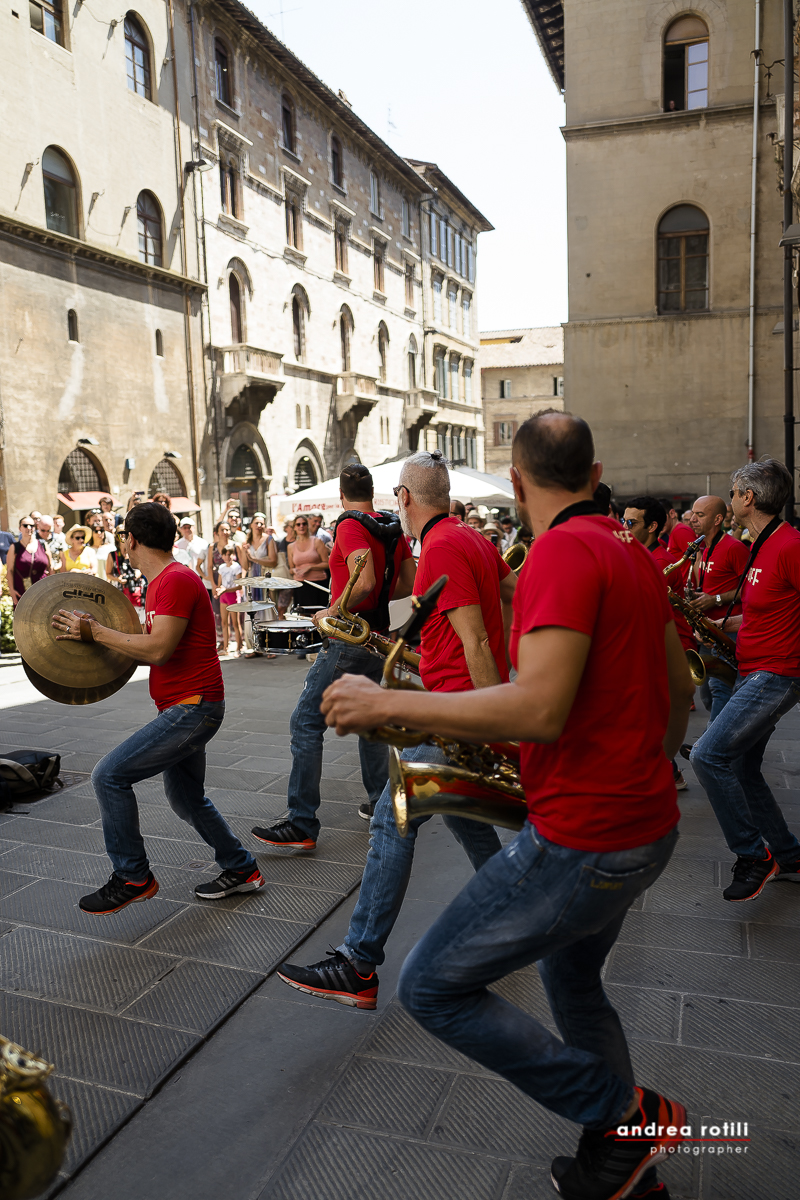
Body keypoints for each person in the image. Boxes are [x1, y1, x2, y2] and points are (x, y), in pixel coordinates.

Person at [320, 412, 692, 1200]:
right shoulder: (629, 549)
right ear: (594, 475)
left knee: (430, 986)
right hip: (642, 825)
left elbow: (539, 710)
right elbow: (681, 690)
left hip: (584, 838)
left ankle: (623, 1117)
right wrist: (638, 763)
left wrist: (391, 703)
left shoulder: (562, 550)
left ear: (518, 485)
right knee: (574, 983)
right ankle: (616, 1165)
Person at [277, 449, 516, 1010]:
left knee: (391, 820)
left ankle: (359, 964)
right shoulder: (473, 537)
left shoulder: (442, 545)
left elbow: (477, 639)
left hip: (453, 715)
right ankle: (519, 911)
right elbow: (515, 596)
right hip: (451, 706)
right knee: (467, 823)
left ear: (404, 498)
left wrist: (489, 719)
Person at [51, 502, 264, 913]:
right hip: (184, 707)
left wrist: (95, 630)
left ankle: (133, 876)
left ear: (130, 539)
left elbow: (160, 649)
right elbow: (150, 648)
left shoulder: (175, 580)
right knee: (187, 799)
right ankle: (242, 868)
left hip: (192, 708)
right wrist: (93, 643)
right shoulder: (164, 582)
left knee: (108, 775)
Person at [251, 463, 416, 848]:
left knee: (306, 722)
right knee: (369, 722)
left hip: (349, 638)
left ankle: (302, 822)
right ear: (374, 492)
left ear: (342, 496)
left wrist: (334, 608)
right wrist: (377, 610)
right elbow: (406, 582)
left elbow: (368, 579)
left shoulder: (349, 525)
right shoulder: (392, 525)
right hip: (378, 636)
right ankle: (380, 805)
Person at [690, 460, 800, 901]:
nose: (731, 500)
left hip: (775, 672)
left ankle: (755, 855)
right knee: (741, 765)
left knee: (706, 755)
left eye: (733, 493)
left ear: (748, 497)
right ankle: (790, 855)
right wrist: (723, 625)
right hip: (753, 666)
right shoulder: (762, 544)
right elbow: (763, 612)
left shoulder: (789, 544)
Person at [623, 496, 695, 792]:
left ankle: (666, 772)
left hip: (667, 648)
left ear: (652, 526)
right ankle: (668, 771)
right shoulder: (641, 554)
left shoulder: (660, 561)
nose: (623, 528)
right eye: (622, 521)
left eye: (631, 523)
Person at [688, 494, 749, 721]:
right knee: (706, 694)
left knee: (720, 690)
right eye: (693, 513)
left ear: (717, 519)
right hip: (707, 631)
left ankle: (713, 748)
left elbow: (749, 589)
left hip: (728, 631)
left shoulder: (734, 548)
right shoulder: (701, 549)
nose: (693, 519)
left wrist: (715, 599)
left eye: (699, 515)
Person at [6, 516, 51, 605]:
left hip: (43, 591)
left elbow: (51, 568)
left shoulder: (43, 545)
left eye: (32, 525)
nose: (29, 528)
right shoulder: (15, 548)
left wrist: (52, 589)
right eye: (25, 525)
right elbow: (9, 571)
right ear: (20, 528)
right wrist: (12, 591)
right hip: (22, 592)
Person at [287, 516, 330, 609]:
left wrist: (310, 567)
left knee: (318, 615)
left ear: (307, 526)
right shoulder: (291, 546)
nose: (301, 526)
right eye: (298, 524)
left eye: (304, 524)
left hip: (318, 583)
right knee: (303, 616)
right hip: (300, 584)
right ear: (294, 527)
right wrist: (294, 570)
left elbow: (327, 563)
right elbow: (291, 569)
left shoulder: (317, 541)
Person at [206, 520, 232, 651]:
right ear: (217, 532)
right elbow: (209, 567)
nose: (225, 532)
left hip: (231, 582)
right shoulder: (212, 547)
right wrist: (214, 584)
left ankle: (236, 640)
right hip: (217, 581)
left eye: (227, 529)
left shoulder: (235, 545)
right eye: (222, 529)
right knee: (218, 613)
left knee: (235, 612)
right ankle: (222, 641)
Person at [216, 544, 243, 658]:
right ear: (222, 556)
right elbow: (219, 583)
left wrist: (226, 589)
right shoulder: (221, 567)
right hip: (223, 596)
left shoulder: (236, 567)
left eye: (230, 554)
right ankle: (226, 647)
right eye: (225, 554)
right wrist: (218, 591)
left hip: (233, 595)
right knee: (224, 622)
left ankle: (239, 647)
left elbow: (239, 585)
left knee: (235, 623)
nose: (228, 557)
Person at [87, 512, 114, 580]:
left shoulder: (111, 548)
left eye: (101, 530)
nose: (99, 533)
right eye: (96, 531)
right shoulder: (87, 550)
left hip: (109, 583)